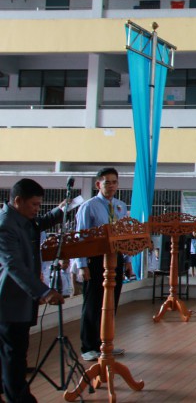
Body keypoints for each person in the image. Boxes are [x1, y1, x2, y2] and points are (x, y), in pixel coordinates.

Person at [0, 178, 65, 403]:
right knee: (14, 355)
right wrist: (44, 292)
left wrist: (60, 211)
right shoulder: (6, 225)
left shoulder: (21, 219)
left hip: (21, 300)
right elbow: (13, 265)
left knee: (13, 353)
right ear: (18, 201)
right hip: (9, 300)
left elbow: (40, 223)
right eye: (34, 205)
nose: (37, 209)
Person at [76, 167, 127, 362]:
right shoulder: (89, 207)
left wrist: (127, 260)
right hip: (96, 260)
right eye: (107, 182)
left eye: (114, 182)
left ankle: (106, 342)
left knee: (111, 302)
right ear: (98, 184)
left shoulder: (120, 206)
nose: (111, 186)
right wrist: (82, 265)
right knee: (93, 303)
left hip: (116, 259)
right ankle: (89, 346)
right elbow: (81, 238)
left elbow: (124, 235)